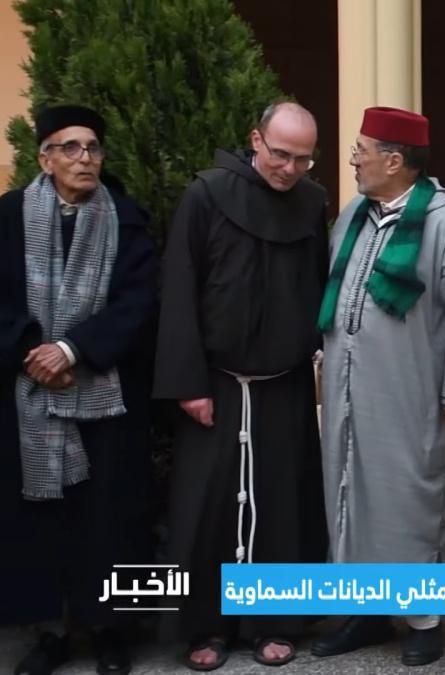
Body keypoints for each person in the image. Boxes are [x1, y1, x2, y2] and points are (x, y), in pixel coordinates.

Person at [154, 101, 329, 670]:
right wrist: (189, 383)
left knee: (281, 503)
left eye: (303, 159)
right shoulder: (205, 195)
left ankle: (273, 623)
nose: (290, 169)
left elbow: (316, 285)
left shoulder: (312, 202)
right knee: (208, 509)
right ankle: (205, 627)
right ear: (255, 140)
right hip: (216, 383)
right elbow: (180, 289)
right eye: (281, 154)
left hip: (283, 382)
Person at [0, 104, 157, 675]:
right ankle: (48, 633)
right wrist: (34, 352)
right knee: (42, 525)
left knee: (115, 520)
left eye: (92, 148)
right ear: (44, 158)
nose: (84, 158)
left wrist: (74, 350)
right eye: (70, 148)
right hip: (29, 397)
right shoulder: (9, 216)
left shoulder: (128, 219)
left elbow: (140, 302)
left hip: (106, 397)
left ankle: (117, 634)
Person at [313, 106, 445, 665]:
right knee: (353, 489)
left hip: (413, 389)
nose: (354, 159)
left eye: (362, 149)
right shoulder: (355, 212)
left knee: (413, 495)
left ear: (395, 160)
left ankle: (425, 617)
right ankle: (369, 611)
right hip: (349, 387)